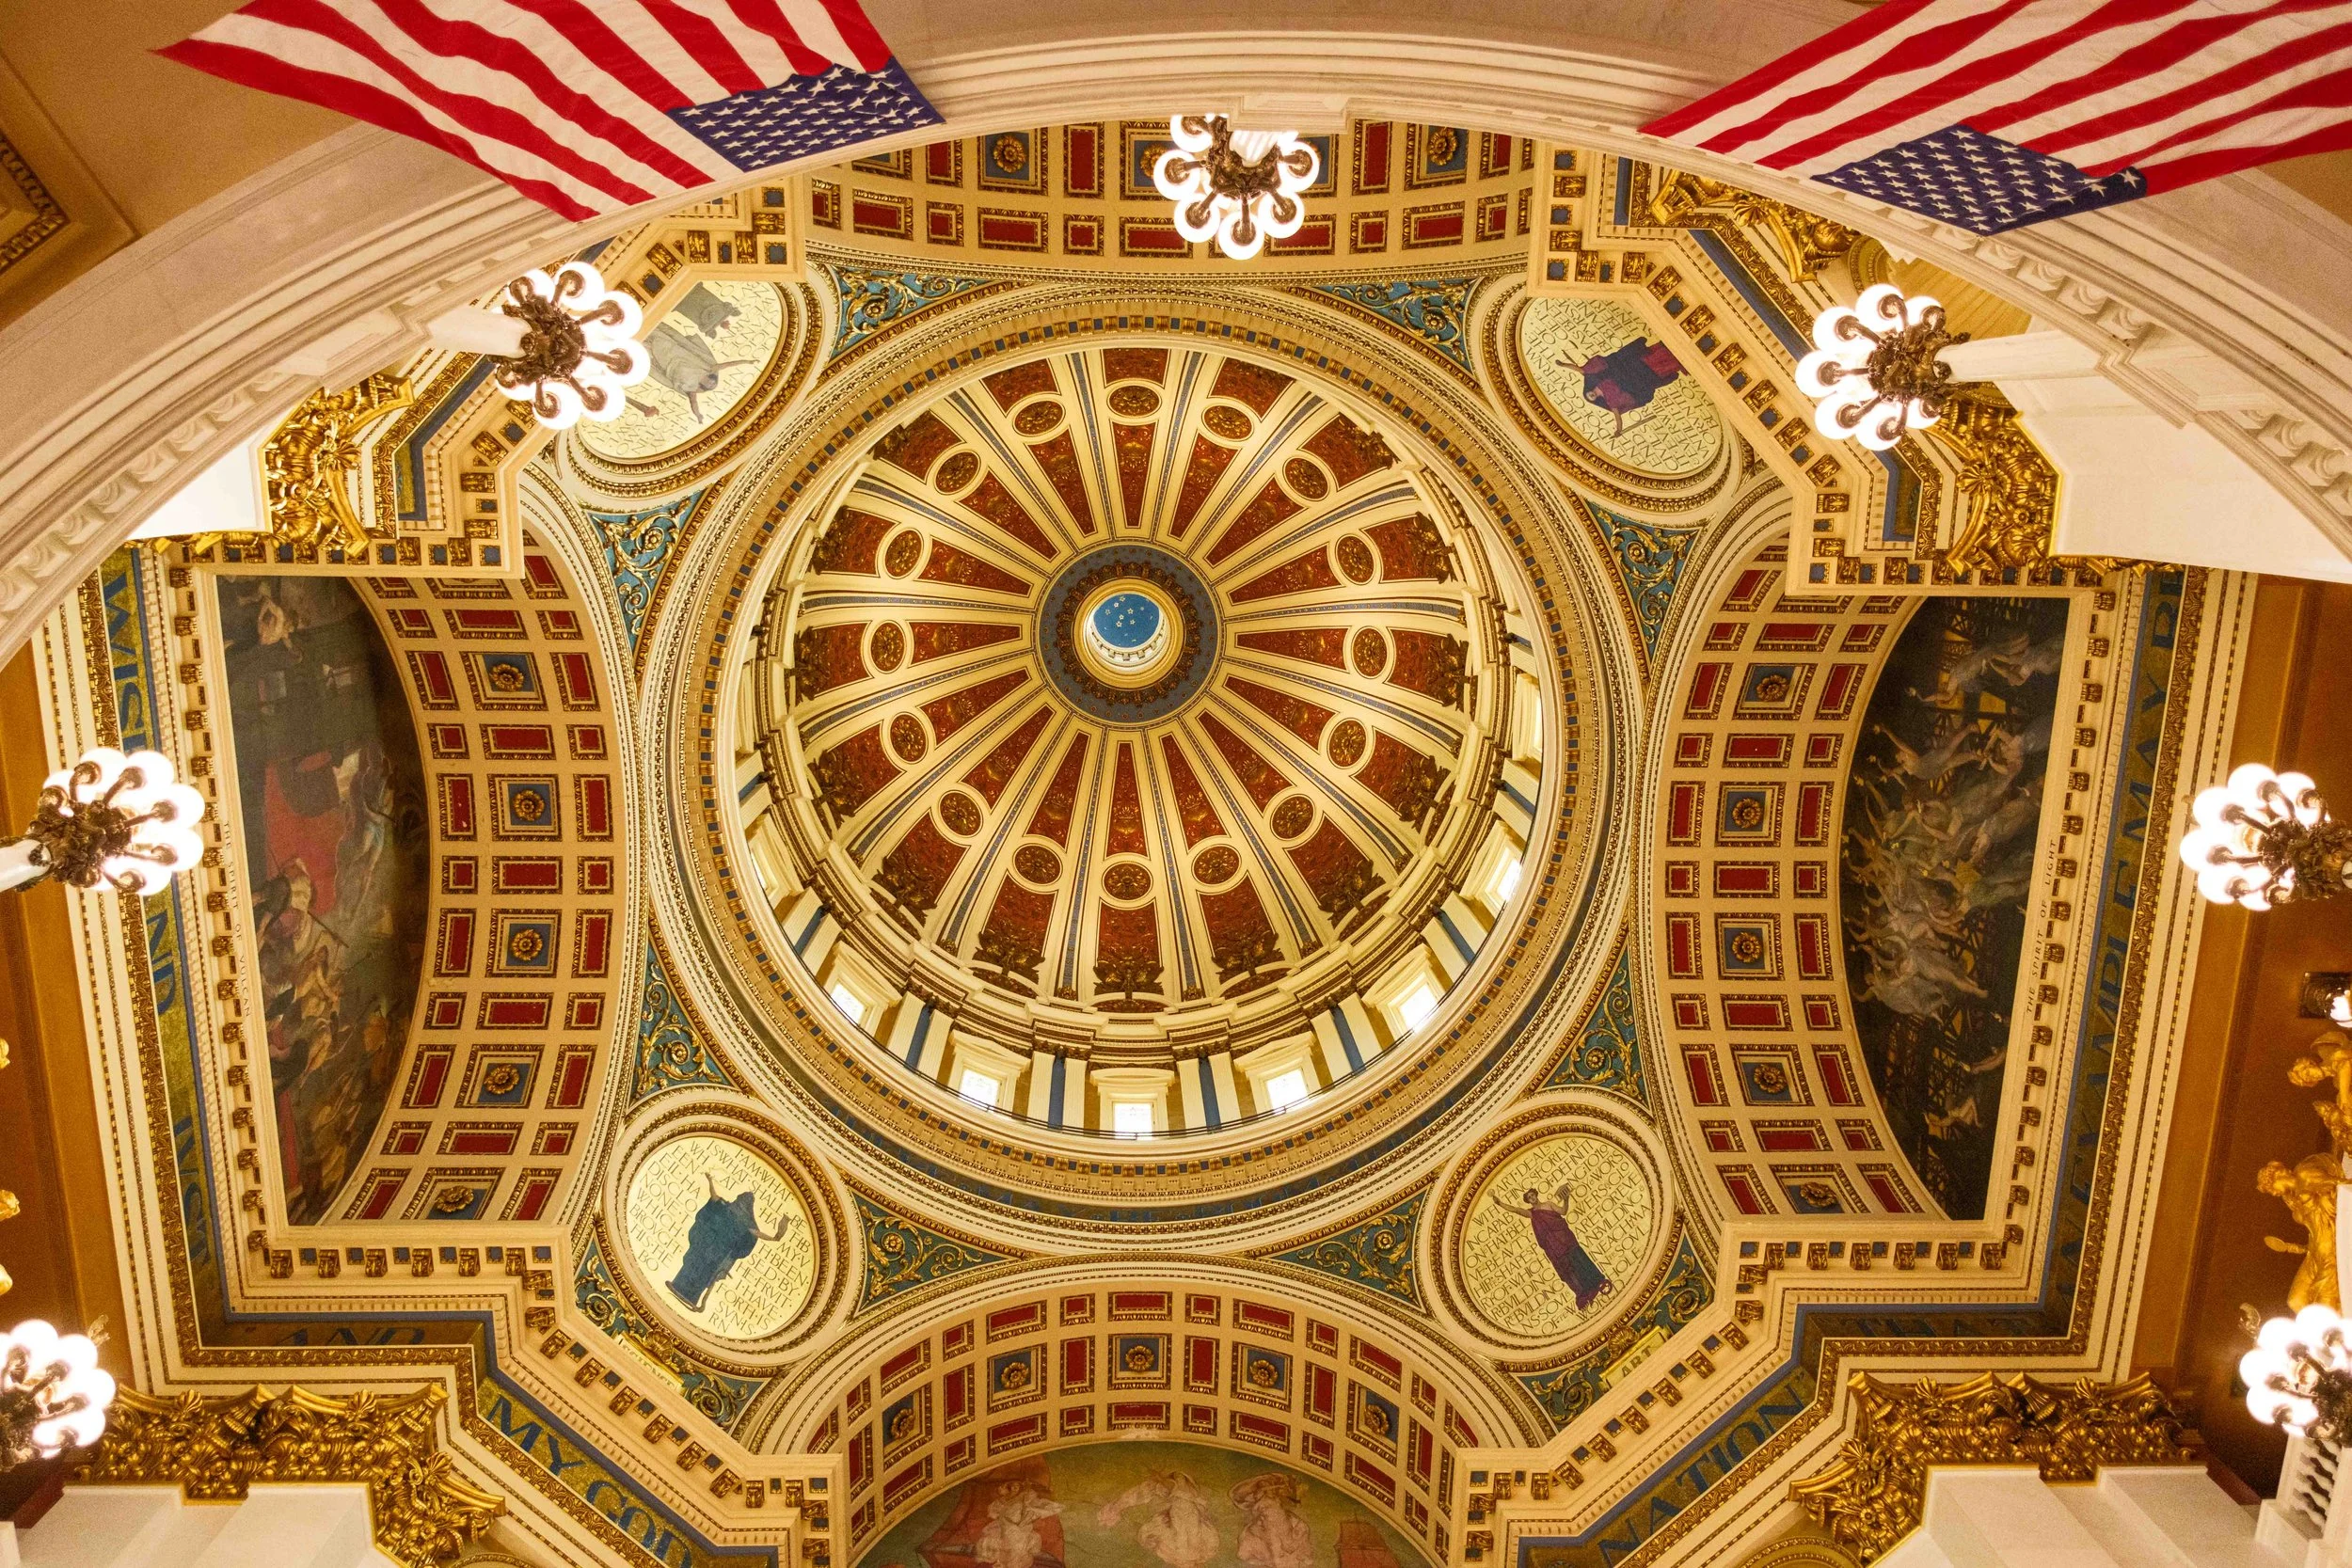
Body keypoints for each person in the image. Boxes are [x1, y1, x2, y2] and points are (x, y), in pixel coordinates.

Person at [667, 1172, 792, 1311]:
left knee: (704, 1271)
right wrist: (710, 1181)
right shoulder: (730, 1210)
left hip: (716, 1252)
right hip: (709, 1246)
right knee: (694, 1265)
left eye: (742, 1201)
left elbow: (758, 1234)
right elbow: (714, 1196)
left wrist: (776, 1237)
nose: (739, 1203)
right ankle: (678, 1286)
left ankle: (690, 1296)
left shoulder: (742, 1219)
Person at [1492, 1181, 1612, 1310]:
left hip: (1566, 1239)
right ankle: (1582, 1293)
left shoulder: (1548, 1204)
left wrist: (1566, 1199)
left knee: (1579, 1259)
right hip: (1554, 1247)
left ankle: (1596, 1281)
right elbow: (1515, 1210)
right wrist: (1499, 1203)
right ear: (1528, 1201)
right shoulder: (1531, 1213)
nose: (1532, 1198)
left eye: (1533, 1195)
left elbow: (1563, 1211)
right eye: (1529, 1198)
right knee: (1567, 1269)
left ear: (1536, 1195)